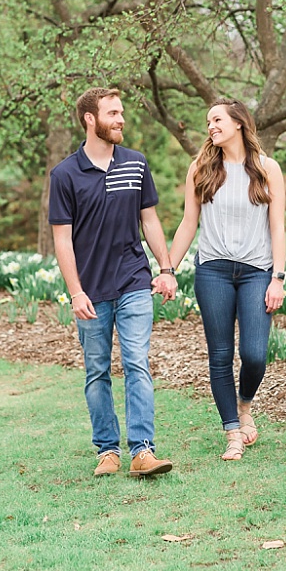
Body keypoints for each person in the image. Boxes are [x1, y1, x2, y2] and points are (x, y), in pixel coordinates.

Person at [50, 87, 179, 478]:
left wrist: (166, 268)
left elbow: (150, 220)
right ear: (90, 119)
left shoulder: (136, 164)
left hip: (133, 280)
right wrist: (75, 292)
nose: (121, 119)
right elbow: (62, 239)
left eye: (121, 112)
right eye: (113, 113)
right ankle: (107, 450)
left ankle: (143, 450)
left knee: (137, 362)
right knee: (97, 372)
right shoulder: (65, 174)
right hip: (90, 291)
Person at [168, 97, 286, 461]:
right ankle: (232, 432)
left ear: (238, 123)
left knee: (254, 354)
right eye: (208, 121)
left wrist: (277, 278)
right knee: (220, 356)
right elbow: (189, 223)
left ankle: (245, 403)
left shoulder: (268, 169)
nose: (211, 126)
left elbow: (277, 225)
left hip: (256, 272)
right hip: (213, 272)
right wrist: (167, 269)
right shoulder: (200, 168)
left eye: (217, 119)